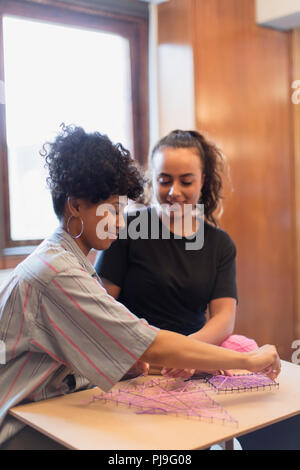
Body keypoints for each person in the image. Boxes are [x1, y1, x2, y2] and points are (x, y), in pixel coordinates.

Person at [0, 125, 280, 450]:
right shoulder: (56, 272)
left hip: (55, 404)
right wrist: (249, 362)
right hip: (20, 426)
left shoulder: (67, 260)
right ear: (75, 206)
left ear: (203, 181)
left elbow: (118, 341)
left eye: (122, 211)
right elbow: (145, 341)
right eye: (113, 211)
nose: (120, 223)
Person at [95, 130, 258, 378]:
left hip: (193, 360)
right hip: (137, 361)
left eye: (186, 181)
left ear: (202, 181)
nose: (174, 191)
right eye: (165, 180)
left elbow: (224, 318)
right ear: (153, 180)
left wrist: (186, 352)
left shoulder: (220, 244)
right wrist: (160, 351)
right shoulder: (125, 229)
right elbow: (102, 306)